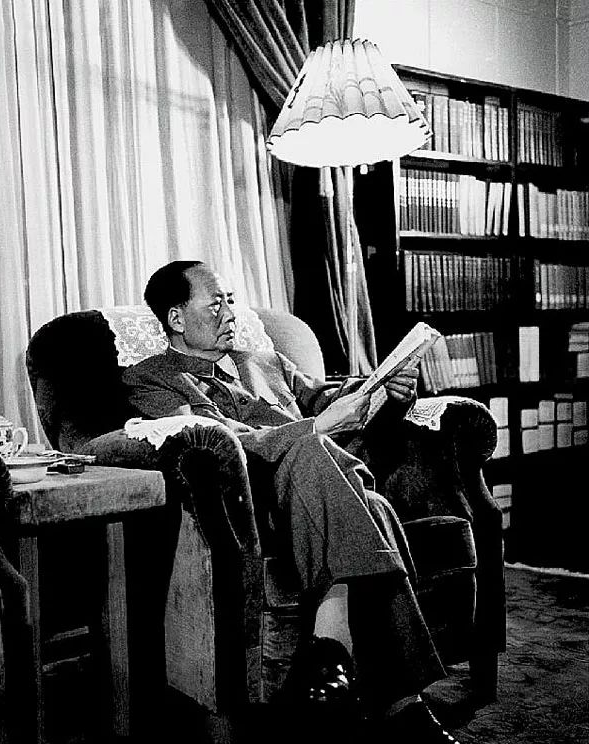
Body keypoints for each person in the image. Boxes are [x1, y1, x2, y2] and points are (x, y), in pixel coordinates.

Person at [122, 260, 472, 744]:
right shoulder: (152, 378)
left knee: (365, 499)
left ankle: (350, 672)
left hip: (324, 491)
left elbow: (328, 397)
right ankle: (391, 698)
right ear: (176, 319)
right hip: (254, 507)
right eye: (216, 304)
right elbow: (223, 441)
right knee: (337, 474)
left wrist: (390, 393)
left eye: (231, 301)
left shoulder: (264, 361)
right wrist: (319, 427)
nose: (230, 314)